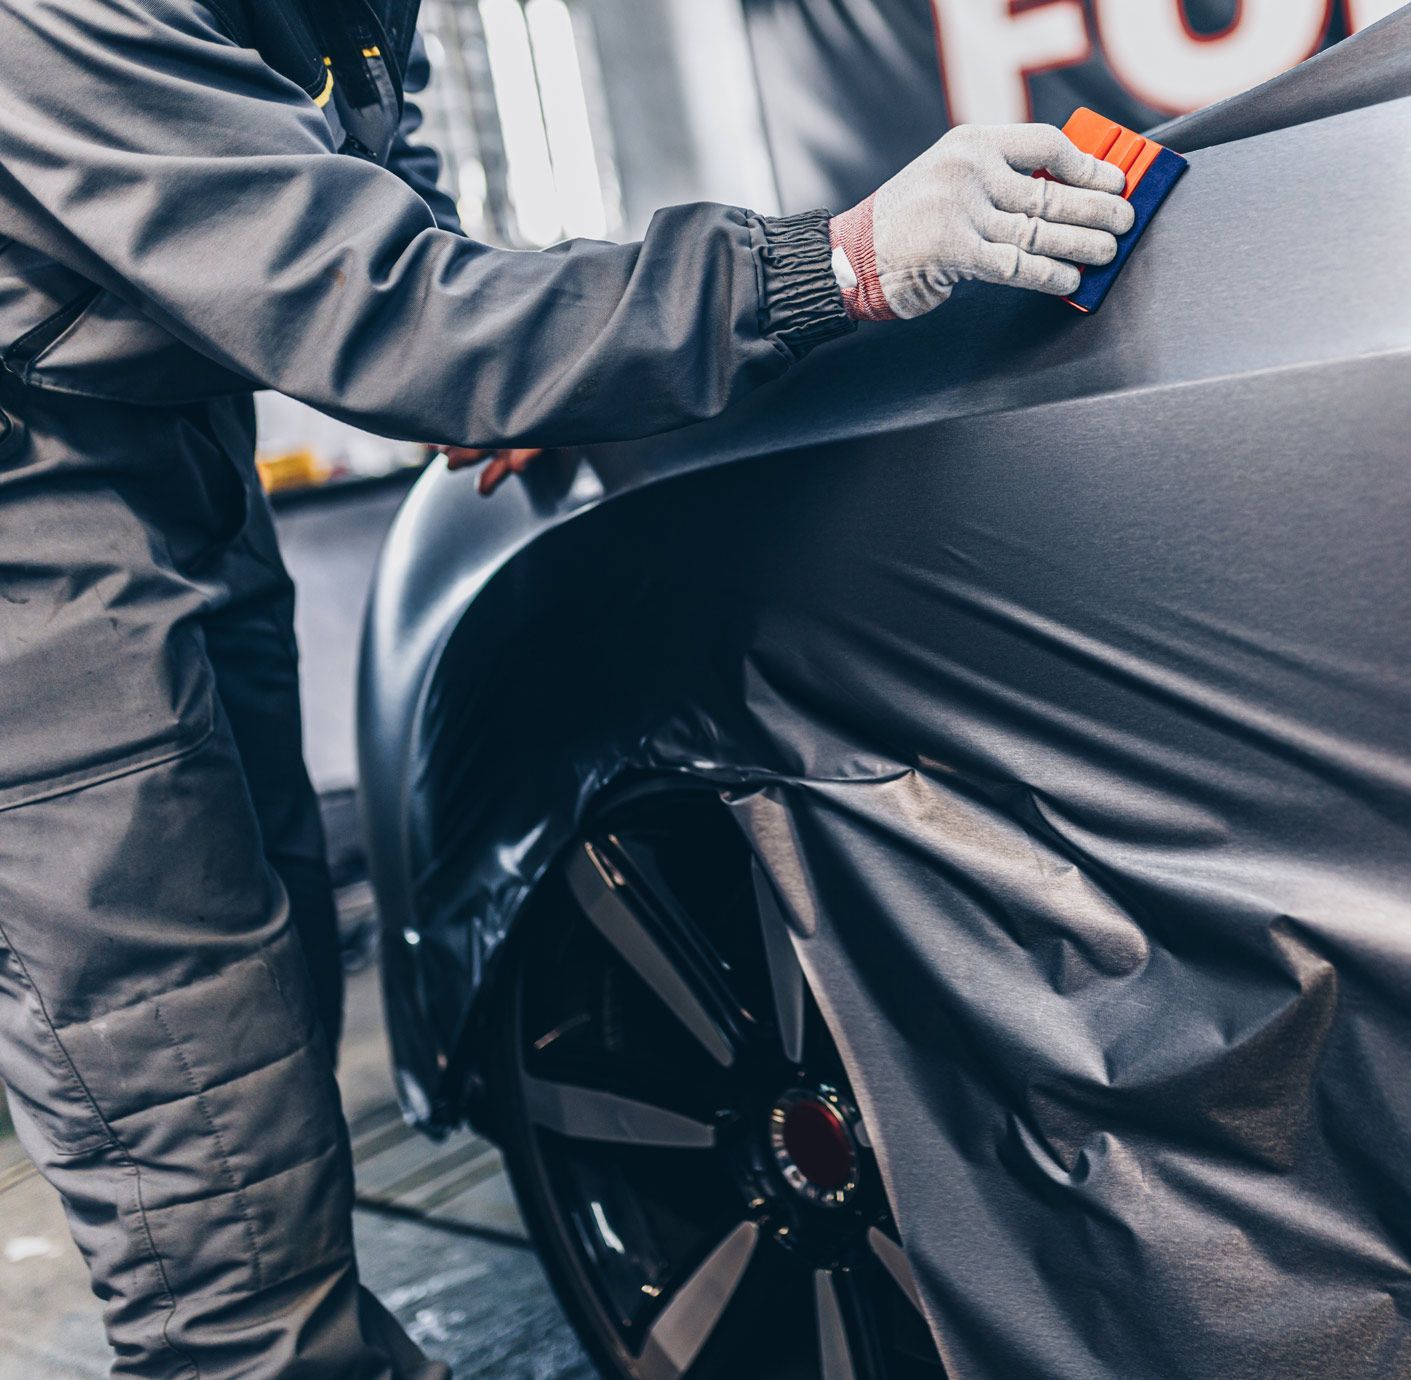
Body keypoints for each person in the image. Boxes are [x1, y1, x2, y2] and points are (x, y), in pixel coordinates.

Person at [0, 0, 1135, 1371]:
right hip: (33, 530)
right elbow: (380, 308)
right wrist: (833, 265)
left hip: (168, 452)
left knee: (268, 992)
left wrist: (517, 369)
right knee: (193, 1106)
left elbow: (385, 192)